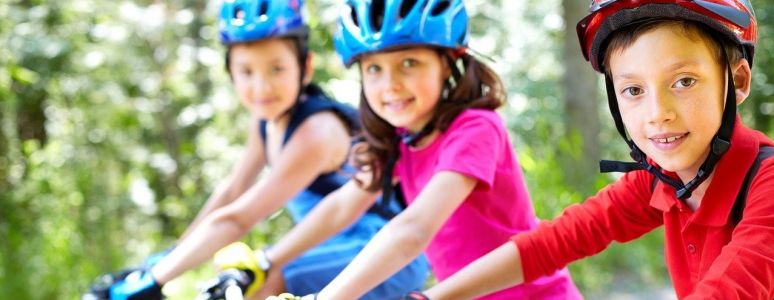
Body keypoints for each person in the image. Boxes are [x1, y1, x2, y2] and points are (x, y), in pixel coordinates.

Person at [412, 0, 774, 299]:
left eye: (683, 81)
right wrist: (432, 297)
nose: (657, 114)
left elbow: (732, 288)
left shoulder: (767, 185)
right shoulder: (659, 182)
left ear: (737, 81)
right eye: (634, 90)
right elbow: (549, 244)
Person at [89, 0, 428, 299]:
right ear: (230, 74)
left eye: (276, 69)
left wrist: (154, 278)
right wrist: (163, 262)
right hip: (327, 248)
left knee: (258, 282)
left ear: (305, 68)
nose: (261, 87)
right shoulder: (267, 121)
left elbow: (240, 218)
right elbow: (232, 193)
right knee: (240, 284)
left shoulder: (315, 132)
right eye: (246, 71)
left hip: (383, 253)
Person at [264, 0, 582, 299]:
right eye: (374, 68)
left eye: (409, 63)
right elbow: (341, 207)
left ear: (448, 62)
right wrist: (266, 261)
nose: (390, 84)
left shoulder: (476, 128)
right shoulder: (401, 138)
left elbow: (414, 229)